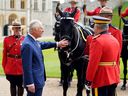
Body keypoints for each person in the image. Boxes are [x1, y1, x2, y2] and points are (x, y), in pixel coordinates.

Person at [21, 20, 68, 96]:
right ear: (34, 30)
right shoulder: (27, 45)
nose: (43, 30)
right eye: (41, 28)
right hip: (34, 82)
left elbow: (43, 44)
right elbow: (27, 67)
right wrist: (30, 83)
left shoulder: (32, 41)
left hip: (38, 80)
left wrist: (57, 44)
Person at [85, 16, 120, 96]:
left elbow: (93, 63)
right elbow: (117, 60)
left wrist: (88, 80)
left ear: (97, 27)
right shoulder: (114, 40)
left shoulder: (97, 41)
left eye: (94, 26)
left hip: (101, 78)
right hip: (113, 76)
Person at [2, 20, 24, 96]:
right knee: (12, 85)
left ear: (20, 28)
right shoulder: (7, 39)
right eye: (15, 28)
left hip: (21, 67)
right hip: (11, 67)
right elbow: (4, 55)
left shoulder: (25, 39)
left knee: (21, 85)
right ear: (12, 29)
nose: (16, 29)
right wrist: (5, 68)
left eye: (18, 28)